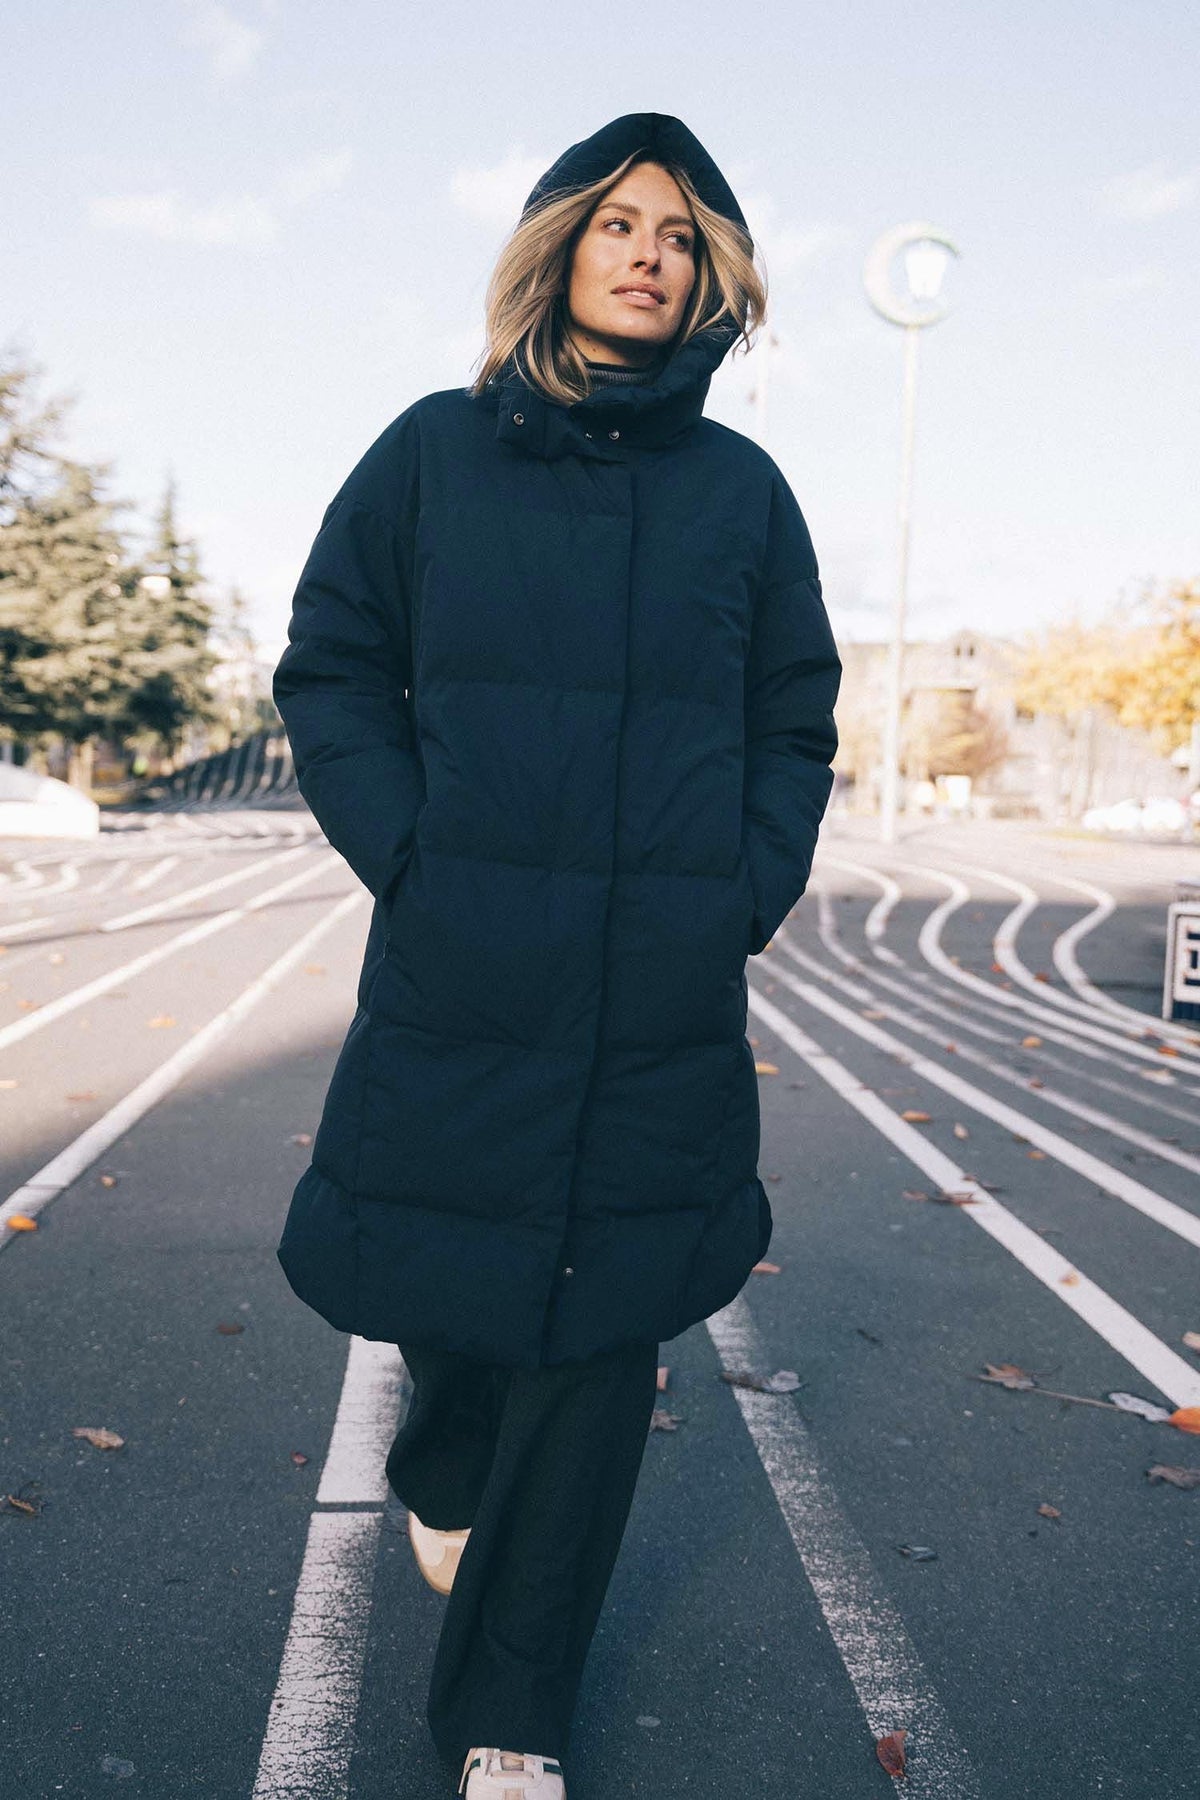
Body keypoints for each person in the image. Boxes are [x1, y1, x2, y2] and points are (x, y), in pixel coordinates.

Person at [271, 110, 841, 1799]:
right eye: (621, 224)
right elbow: (332, 664)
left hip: (659, 995)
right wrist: (413, 855)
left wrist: (737, 886)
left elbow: (793, 717)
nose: (650, 254)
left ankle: (509, 1720)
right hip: (467, 970)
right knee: (453, 1305)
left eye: (680, 233)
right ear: (561, 246)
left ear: (710, 274)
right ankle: (443, 1464)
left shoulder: (744, 496)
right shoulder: (431, 454)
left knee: (600, 1348)